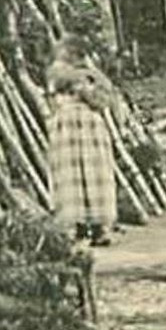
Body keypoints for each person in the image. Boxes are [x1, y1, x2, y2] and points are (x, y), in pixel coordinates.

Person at [45, 37, 118, 245]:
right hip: (72, 125)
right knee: (73, 173)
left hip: (86, 127)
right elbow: (96, 97)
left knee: (92, 172)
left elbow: (103, 98)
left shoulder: (87, 75)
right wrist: (88, 79)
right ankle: (76, 226)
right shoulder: (64, 73)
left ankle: (97, 227)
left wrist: (92, 78)